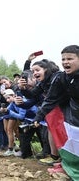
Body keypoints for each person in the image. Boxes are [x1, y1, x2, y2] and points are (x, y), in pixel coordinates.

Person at [33, 45, 79, 179]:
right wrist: (39, 115)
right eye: (63, 59)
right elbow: (50, 99)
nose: (65, 62)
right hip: (73, 116)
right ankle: (70, 167)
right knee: (72, 143)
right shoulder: (61, 78)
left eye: (70, 59)